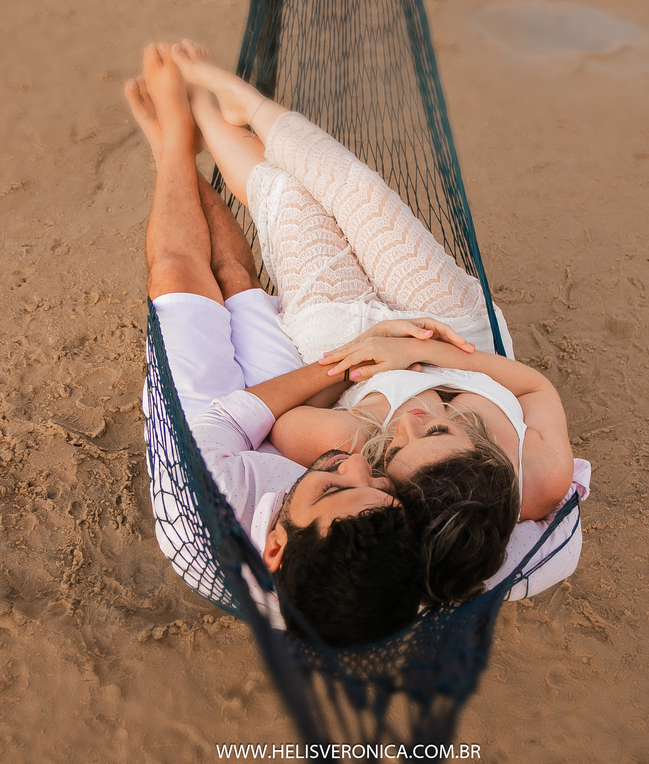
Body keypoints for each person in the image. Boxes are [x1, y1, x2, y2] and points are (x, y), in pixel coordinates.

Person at [168, 41, 591, 605]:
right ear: (490, 455)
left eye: (398, 448)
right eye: (441, 428)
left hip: (342, 340)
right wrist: (428, 355)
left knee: (288, 202)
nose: (413, 418)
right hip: (451, 330)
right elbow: (535, 385)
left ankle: (197, 109)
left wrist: (361, 362)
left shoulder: (359, 451)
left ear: (391, 487)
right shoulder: (537, 477)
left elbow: (286, 421)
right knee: (360, 190)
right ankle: (247, 103)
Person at [128, 45, 425, 647]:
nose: (362, 468)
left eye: (338, 488)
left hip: (202, 429)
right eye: (382, 490)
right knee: (241, 286)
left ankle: (172, 144)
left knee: (180, 275)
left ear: (274, 547)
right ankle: (176, 144)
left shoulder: (202, 501)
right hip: (283, 436)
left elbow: (232, 416)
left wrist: (339, 361)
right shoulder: (379, 573)